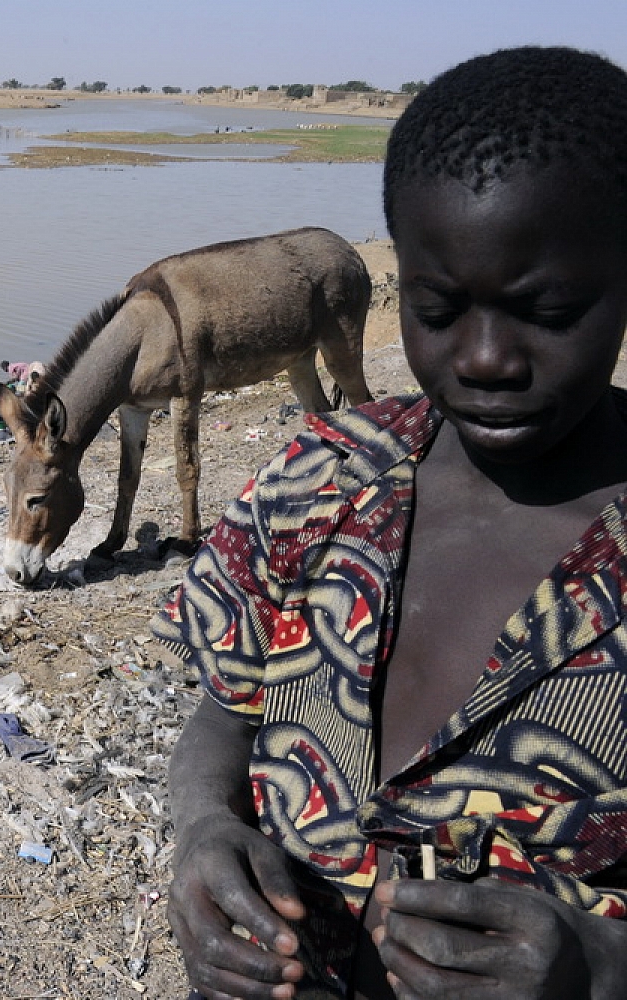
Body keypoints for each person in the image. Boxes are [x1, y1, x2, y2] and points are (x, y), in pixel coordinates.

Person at [153, 46, 627, 1000]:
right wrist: (206, 831)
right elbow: (224, 714)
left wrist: (599, 966)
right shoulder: (318, 476)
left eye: (547, 310)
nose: (486, 358)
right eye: (437, 308)